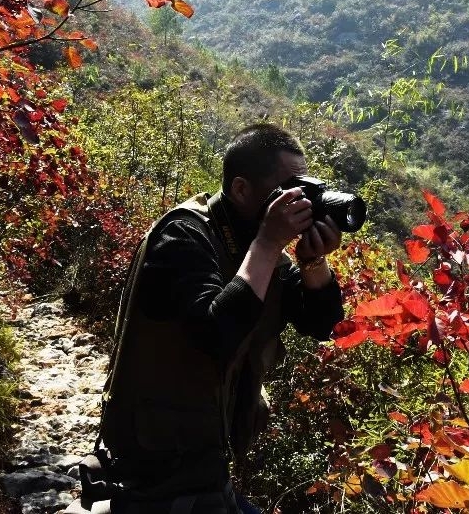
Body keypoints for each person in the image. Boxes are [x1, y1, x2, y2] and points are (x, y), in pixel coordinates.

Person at [82, 123, 345, 514]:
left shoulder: (261, 252)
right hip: (150, 463)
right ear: (241, 189)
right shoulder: (183, 236)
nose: (298, 202)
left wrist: (313, 262)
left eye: (304, 189)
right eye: (289, 189)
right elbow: (215, 335)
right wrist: (269, 242)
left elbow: (324, 325)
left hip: (205, 458)